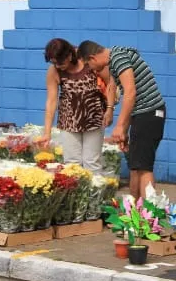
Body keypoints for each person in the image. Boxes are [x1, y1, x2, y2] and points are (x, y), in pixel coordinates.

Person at [78, 40, 166, 200]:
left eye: (88, 66)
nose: (91, 70)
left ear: (92, 58)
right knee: (135, 165)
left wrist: (119, 126)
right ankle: (135, 212)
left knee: (144, 167)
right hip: (142, 114)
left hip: (149, 114)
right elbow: (112, 86)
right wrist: (116, 120)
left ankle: (149, 217)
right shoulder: (114, 59)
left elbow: (130, 92)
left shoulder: (118, 57)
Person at [40, 38, 115, 172]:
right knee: (71, 163)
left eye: (60, 62)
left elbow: (110, 81)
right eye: (53, 63)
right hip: (68, 121)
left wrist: (109, 108)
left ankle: (96, 192)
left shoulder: (87, 59)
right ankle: (77, 192)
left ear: (69, 55)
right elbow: (51, 101)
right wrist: (47, 132)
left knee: (92, 162)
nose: (57, 66)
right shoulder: (54, 71)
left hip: (94, 118)